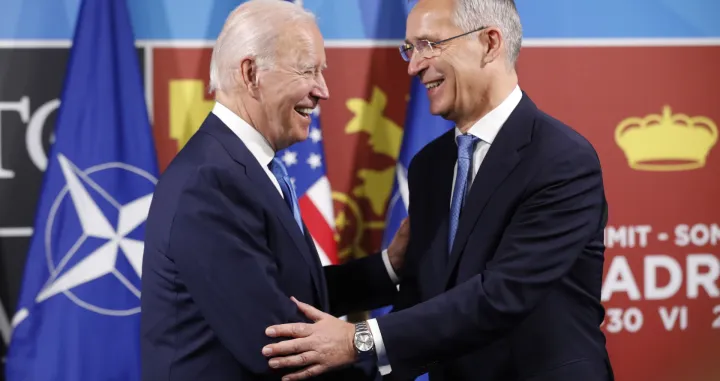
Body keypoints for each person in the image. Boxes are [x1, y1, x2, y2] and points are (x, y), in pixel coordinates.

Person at [260, 0, 614, 380]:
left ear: (490, 43)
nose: (413, 65)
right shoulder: (430, 165)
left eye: (429, 44)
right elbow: (422, 302)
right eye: (410, 48)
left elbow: (501, 295)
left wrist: (357, 339)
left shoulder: (560, 159)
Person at [140, 1, 408, 380]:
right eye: (308, 70)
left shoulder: (241, 167)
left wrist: (389, 267)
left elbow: (292, 293)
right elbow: (279, 346)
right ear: (251, 74)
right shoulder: (210, 182)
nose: (324, 91)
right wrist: (410, 350)